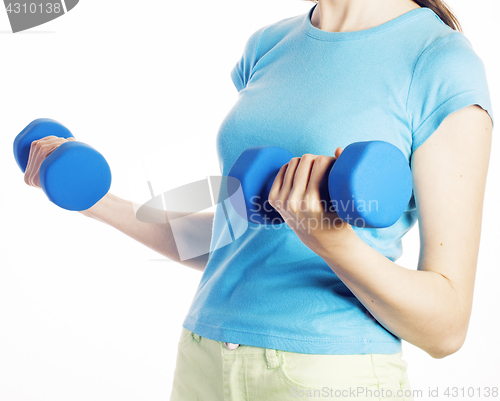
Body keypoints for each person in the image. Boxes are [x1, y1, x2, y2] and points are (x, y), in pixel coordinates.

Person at [23, 0, 494, 399]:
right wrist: (97, 203)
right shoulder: (269, 46)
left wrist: (332, 243)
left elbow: (446, 328)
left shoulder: (438, 62)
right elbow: (235, 237)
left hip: (329, 372)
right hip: (205, 355)